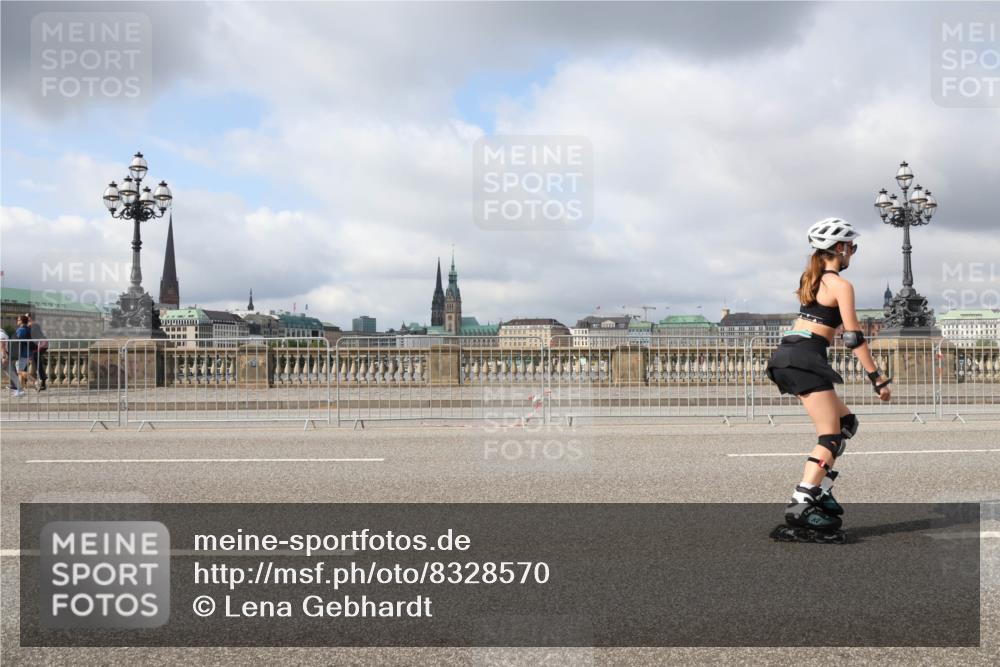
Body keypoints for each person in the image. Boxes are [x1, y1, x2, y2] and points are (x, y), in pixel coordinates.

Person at [765, 218, 892, 543]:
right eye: (852, 247)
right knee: (830, 436)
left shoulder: (811, 278)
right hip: (804, 359)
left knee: (846, 423)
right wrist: (877, 378)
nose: (853, 253)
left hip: (788, 354)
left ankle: (820, 489)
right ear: (840, 248)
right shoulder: (840, 285)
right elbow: (852, 337)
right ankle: (802, 502)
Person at [27, 312, 48, 391]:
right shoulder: (33, 325)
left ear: (30, 318)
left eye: (26, 316)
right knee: (37, 363)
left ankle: (41, 381)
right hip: (40, 345)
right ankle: (42, 382)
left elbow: (37, 337)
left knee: (37, 363)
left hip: (40, 346)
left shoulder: (34, 325)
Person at [13, 315, 35, 391]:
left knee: (19, 371)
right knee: (21, 372)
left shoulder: (21, 330)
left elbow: (16, 341)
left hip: (21, 353)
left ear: (21, 321)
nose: (17, 321)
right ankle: (20, 390)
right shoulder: (29, 329)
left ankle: (35, 381)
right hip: (28, 352)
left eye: (18, 320)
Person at [1, 328, 24, 397]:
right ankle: (20, 390)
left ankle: (20, 390)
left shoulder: (1, 334)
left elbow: (2, 345)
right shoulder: (3, 334)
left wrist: (4, 357)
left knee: (12, 374)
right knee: (12, 374)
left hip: (2, 357)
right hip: (4, 356)